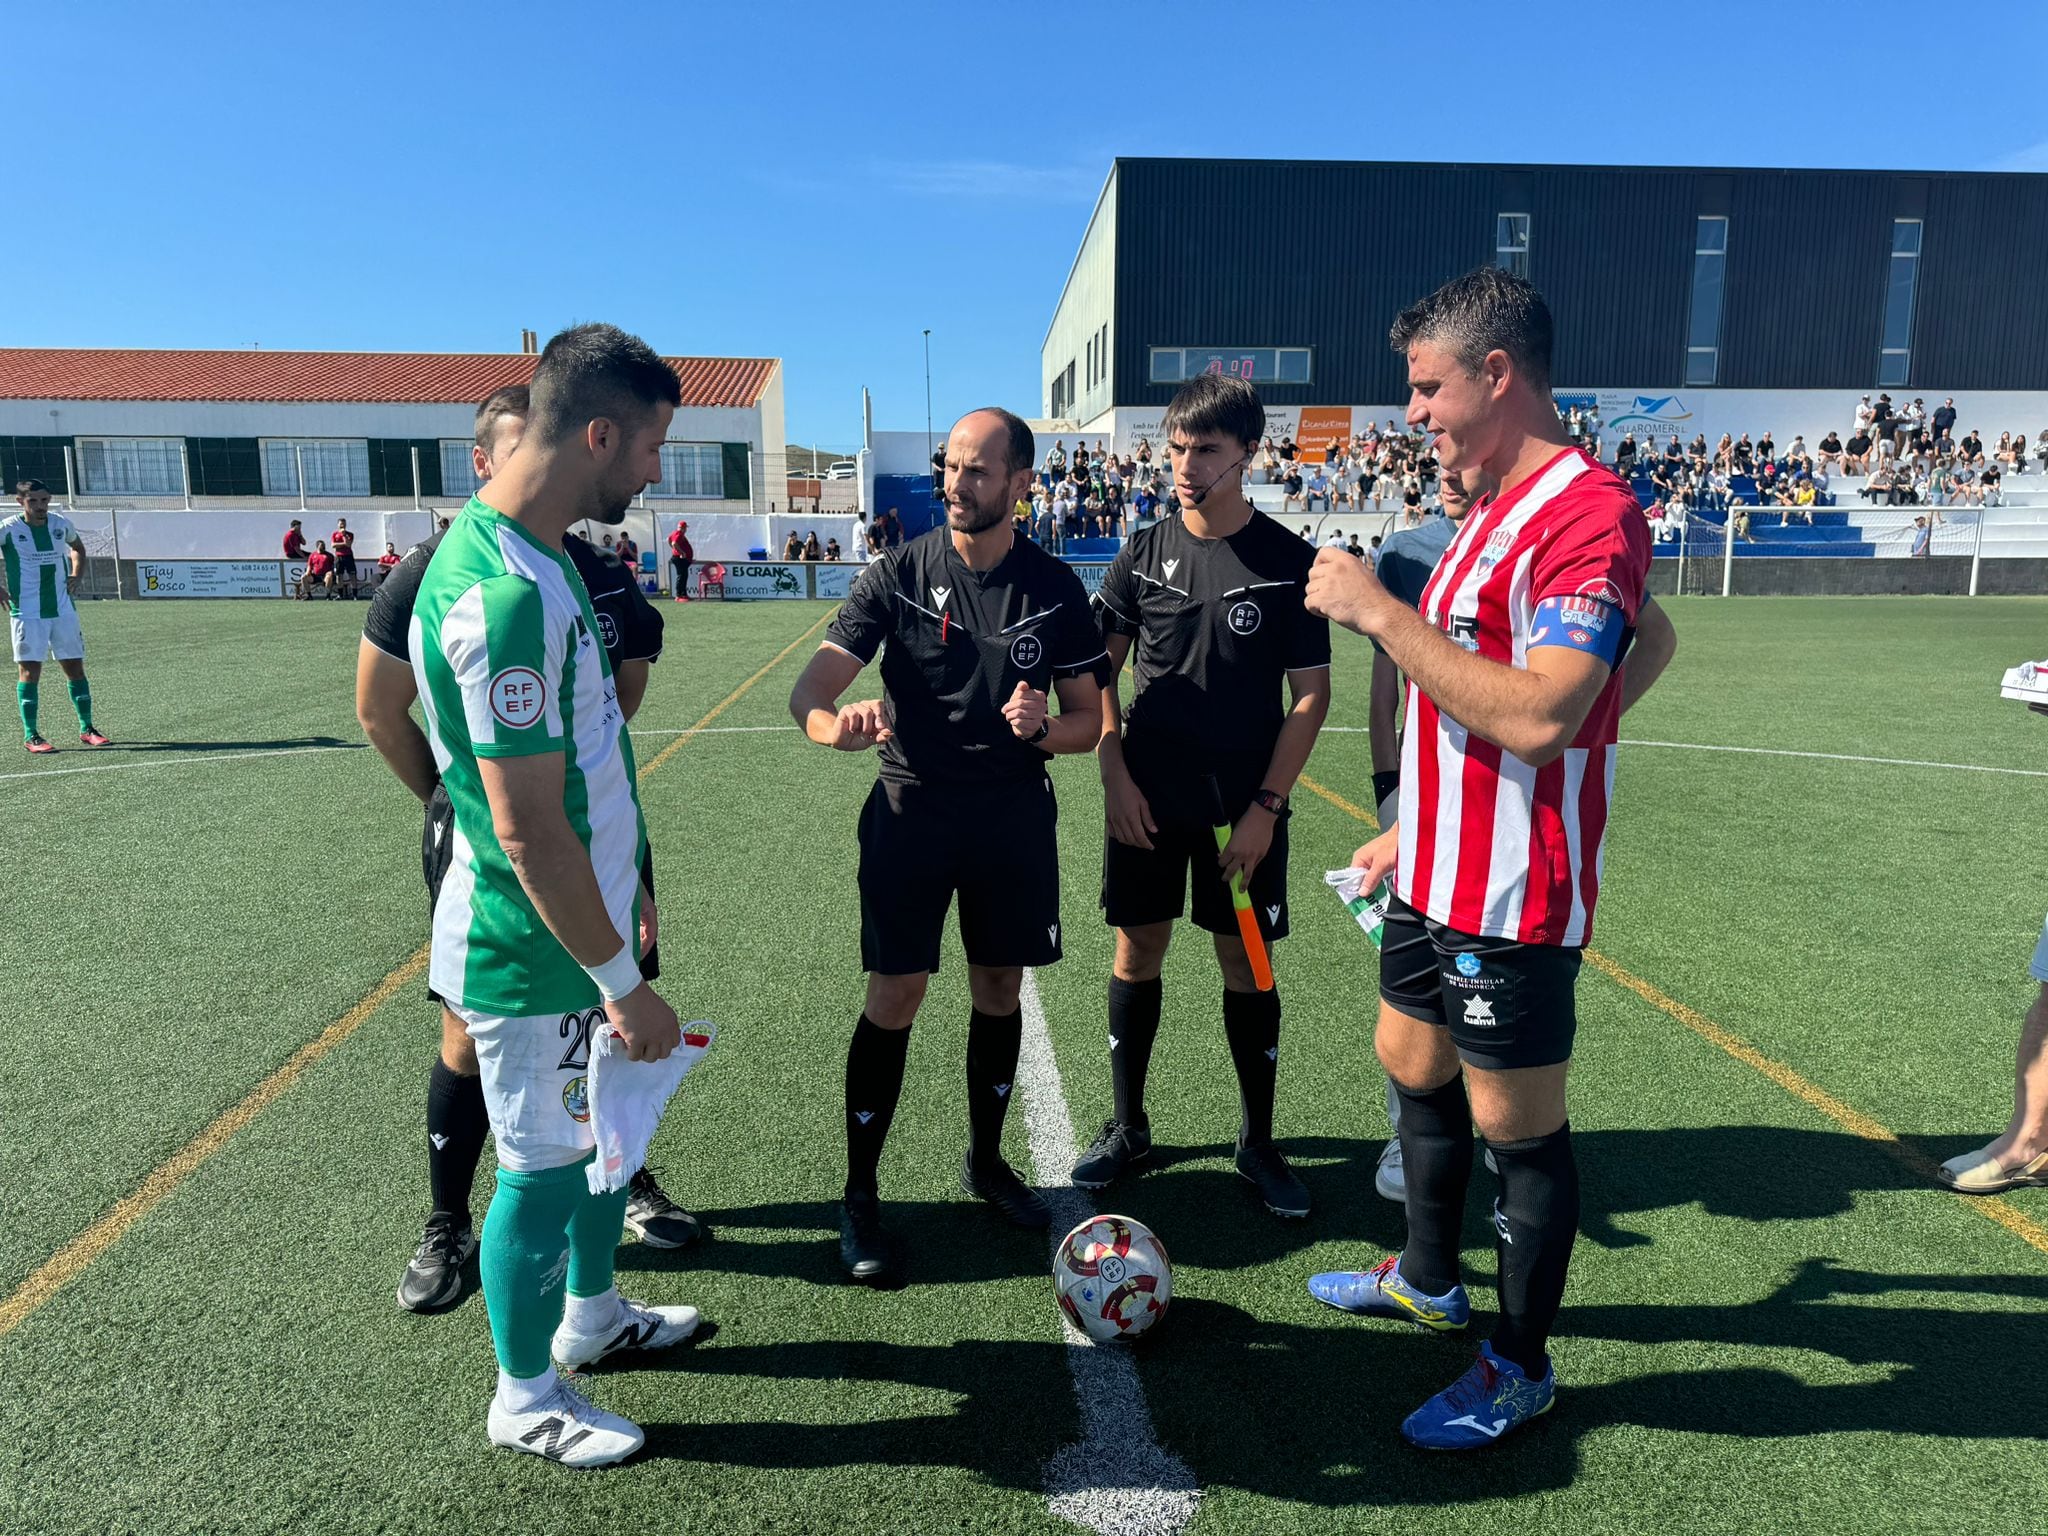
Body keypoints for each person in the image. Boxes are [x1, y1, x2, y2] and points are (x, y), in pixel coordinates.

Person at [1301, 267, 1656, 1452]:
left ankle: (1517, 1365)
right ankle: (1426, 1278)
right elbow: (1630, 646)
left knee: (1518, 1128)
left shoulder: (1582, 512)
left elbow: (1550, 708)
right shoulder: (1491, 504)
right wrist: (1425, 815)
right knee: (1405, 1050)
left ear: (1495, 375)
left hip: (1512, 885)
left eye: (1424, 388)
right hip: (1436, 861)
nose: (1411, 414)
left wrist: (1376, 614)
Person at [406, 327, 700, 1466]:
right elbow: (525, 828)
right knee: (538, 1166)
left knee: (591, 1146)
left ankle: (590, 1318)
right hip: (531, 950)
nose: (653, 474)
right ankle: (524, 1395)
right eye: (650, 447)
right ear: (596, 433)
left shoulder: (542, 556)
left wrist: (625, 921)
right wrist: (622, 984)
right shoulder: (498, 591)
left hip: (577, 934)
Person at [786, 407, 1108, 1287]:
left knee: (999, 985)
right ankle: (860, 1194)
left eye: (977, 471)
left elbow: (1090, 724)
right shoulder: (897, 575)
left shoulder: (1055, 588)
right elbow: (809, 691)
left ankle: (986, 1159)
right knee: (896, 994)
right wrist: (833, 728)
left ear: (1020, 484)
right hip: (911, 809)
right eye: (951, 468)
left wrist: (1046, 729)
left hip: (1010, 814)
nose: (957, 485)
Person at [1078, 374, 1332, 1214]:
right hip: (1145, 800)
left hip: (1243, 815)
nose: (1186, 466)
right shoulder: (1140, 553)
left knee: (1247, 963)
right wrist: (1112, 771)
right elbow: (1095, 676)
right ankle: (1127, 1127)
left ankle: (1258, 1143)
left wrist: (1266, 809)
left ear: (1248, 454)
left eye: (1207, 451)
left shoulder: (1289, 563)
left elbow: (1309, 698)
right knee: (1136, 952)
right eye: (1178, 449)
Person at [3, 480, 109, 753]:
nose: (41, 507)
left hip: (63, 610)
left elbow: (79, 548)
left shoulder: (60, 524)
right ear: (20, 502)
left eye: (45, 500)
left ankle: (87, 728)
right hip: (27, 612)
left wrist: (77, 574)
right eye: (34, 501)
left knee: (75, 668)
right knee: (29, 671)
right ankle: (32, 735)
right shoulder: (8, 529)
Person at [331, 517, 360, 599]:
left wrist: (343, 536)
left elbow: (348, 545)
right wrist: (343, 543)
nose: (342, 525)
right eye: (340, 523)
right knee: (339, 576)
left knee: (352, 575)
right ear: (338, 524)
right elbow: (333, 545)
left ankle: (354, 595)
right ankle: (340, 595)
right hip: (339, 557)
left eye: (343, 523)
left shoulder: (350, 534)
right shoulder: (334, 534)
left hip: (348, 556)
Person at [667, 519, 694, 601]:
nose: (686, 530)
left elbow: (669, 540)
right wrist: (681, 552)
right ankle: (679, 595)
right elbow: (674, 543)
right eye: (685, 528)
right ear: (683, 528)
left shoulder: (676, 534)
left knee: (684, 576)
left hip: (681, 558)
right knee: (681, 576)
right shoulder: (678, 534)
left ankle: (683, 594)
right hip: (679, 558)